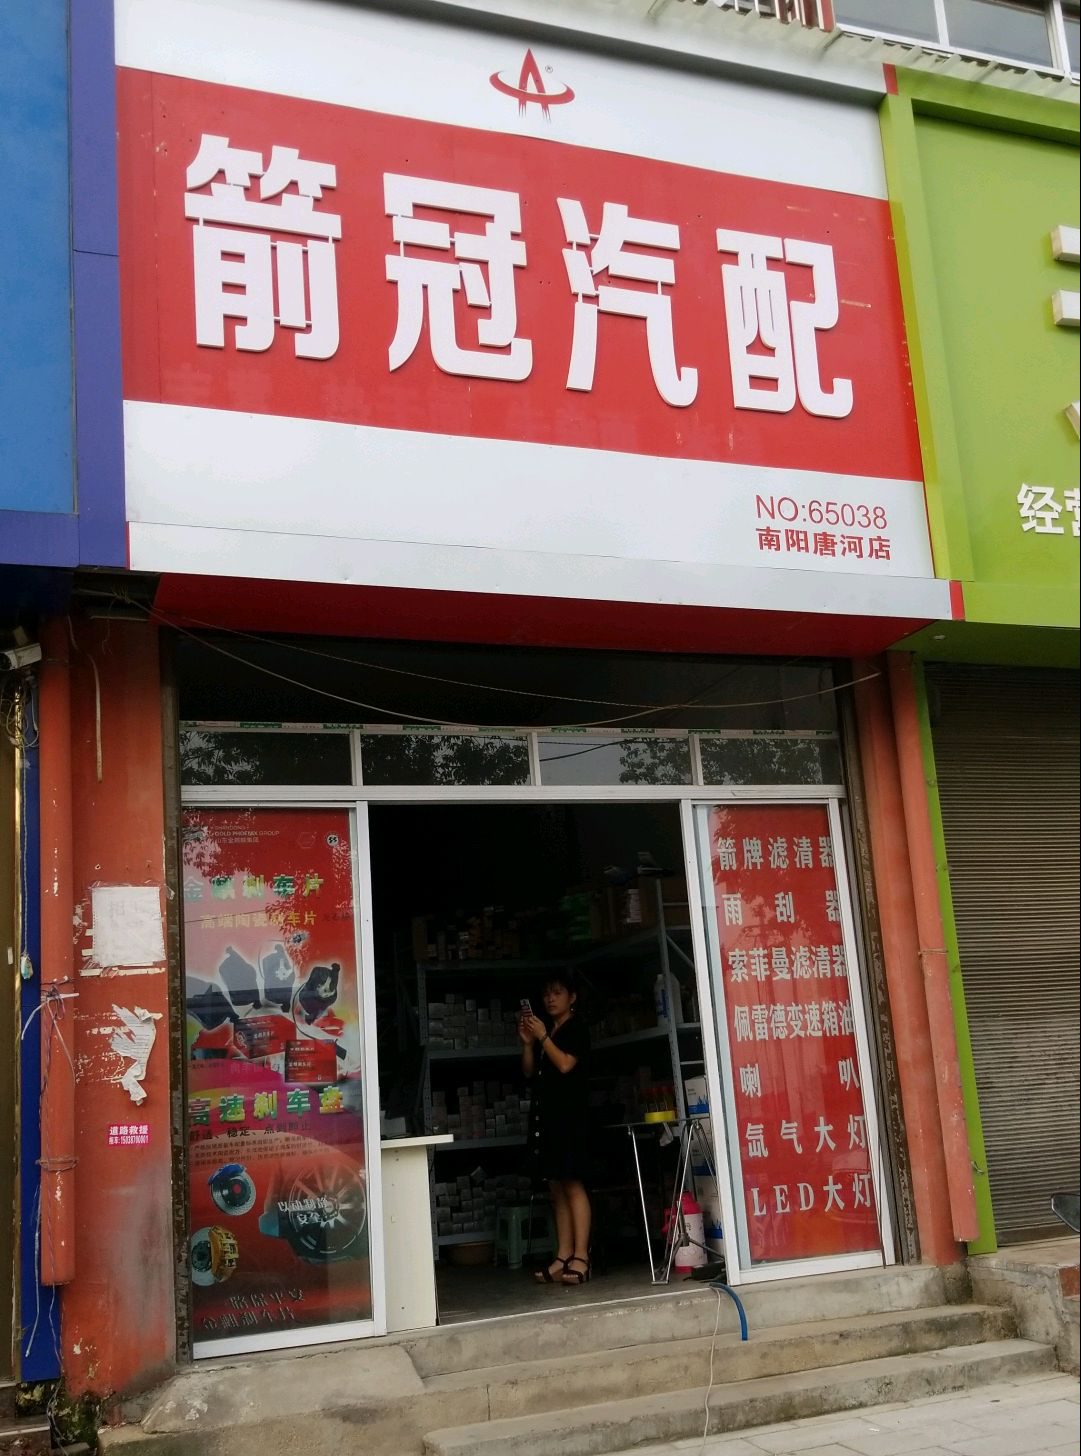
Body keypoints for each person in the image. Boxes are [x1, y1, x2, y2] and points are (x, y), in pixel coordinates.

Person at [519, 972, 592, 1285]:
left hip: (570, 1117)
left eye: (557, 993)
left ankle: (582, 1256)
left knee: (573, 1183)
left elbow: (565, 1065)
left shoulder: (577, 1028)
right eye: (547, 993)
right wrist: (528, 1044)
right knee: (555, 1187)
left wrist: (543, 1038)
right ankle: (563, 1255)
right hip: (546, 1117)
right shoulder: (547, 1031)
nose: (550, 999)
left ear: (572, 997)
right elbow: (528, 1072)